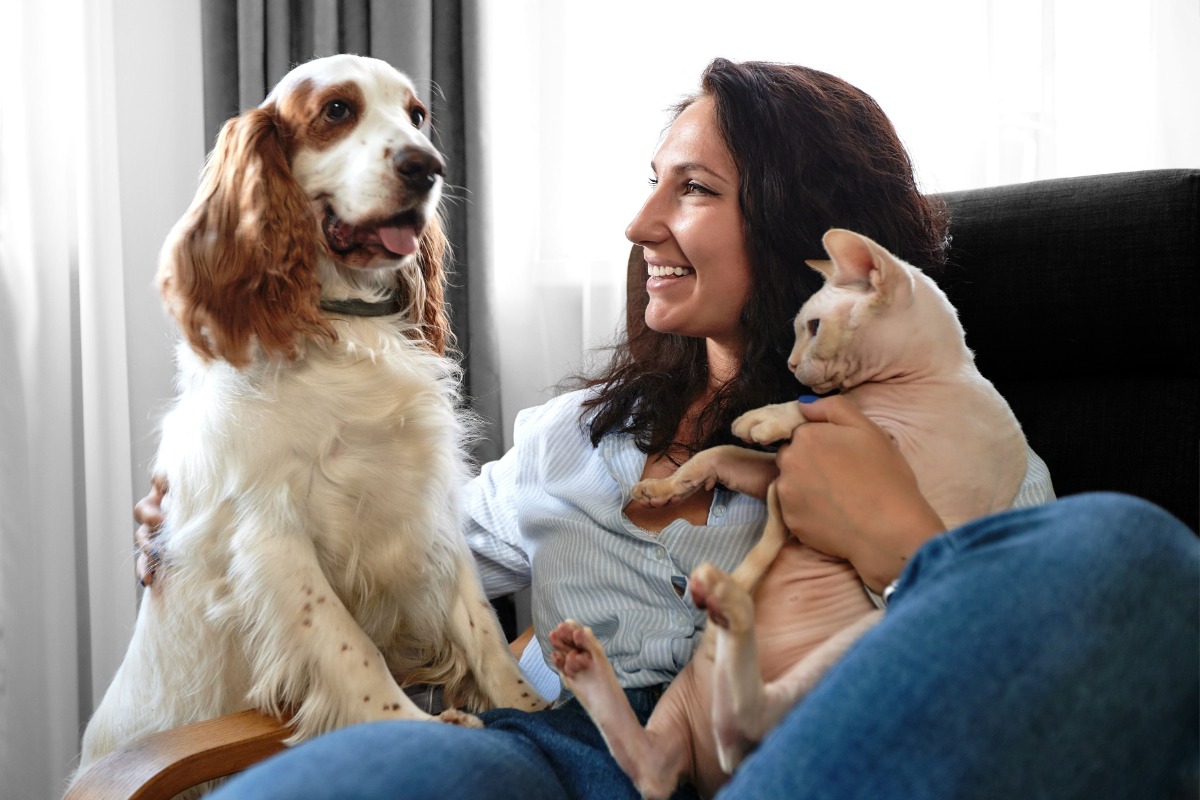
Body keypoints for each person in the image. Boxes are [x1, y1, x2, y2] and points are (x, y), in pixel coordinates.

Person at [131, 58, 1198, 800]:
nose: (641, 227)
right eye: (652, 185)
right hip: (544, 757)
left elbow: (1042, 647)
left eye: (691, 191)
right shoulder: (563, 439)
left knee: (1127, 546)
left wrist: (900, 540)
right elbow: (374, 543)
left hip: (811, 750)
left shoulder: (947, 432)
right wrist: (203, 520)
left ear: (795, 220)